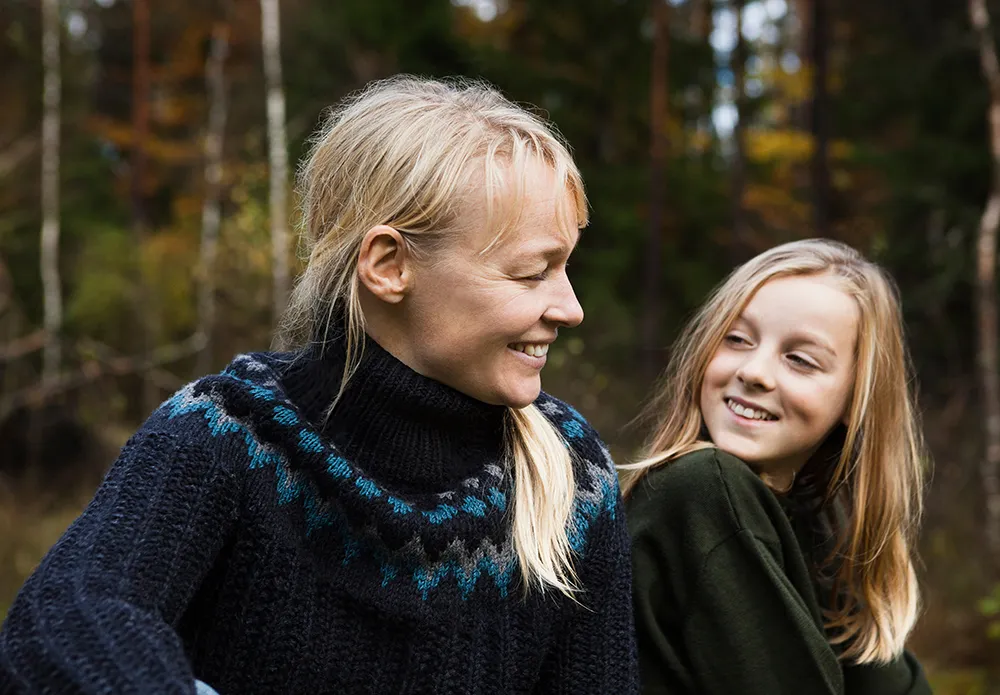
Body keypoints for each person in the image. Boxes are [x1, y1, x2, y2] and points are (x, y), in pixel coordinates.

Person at [0, 76, 637, 694]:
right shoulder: (231, 431)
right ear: (389, 266)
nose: (571, 308)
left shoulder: (570, 478)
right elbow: (65, 622)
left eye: (565, 269)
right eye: (531, 274)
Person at [622, 239, 933, 695]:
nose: (755, 371)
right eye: (737, 339)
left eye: (800, 360)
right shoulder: (701, 488)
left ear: (856, 400)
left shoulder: (822, 530)